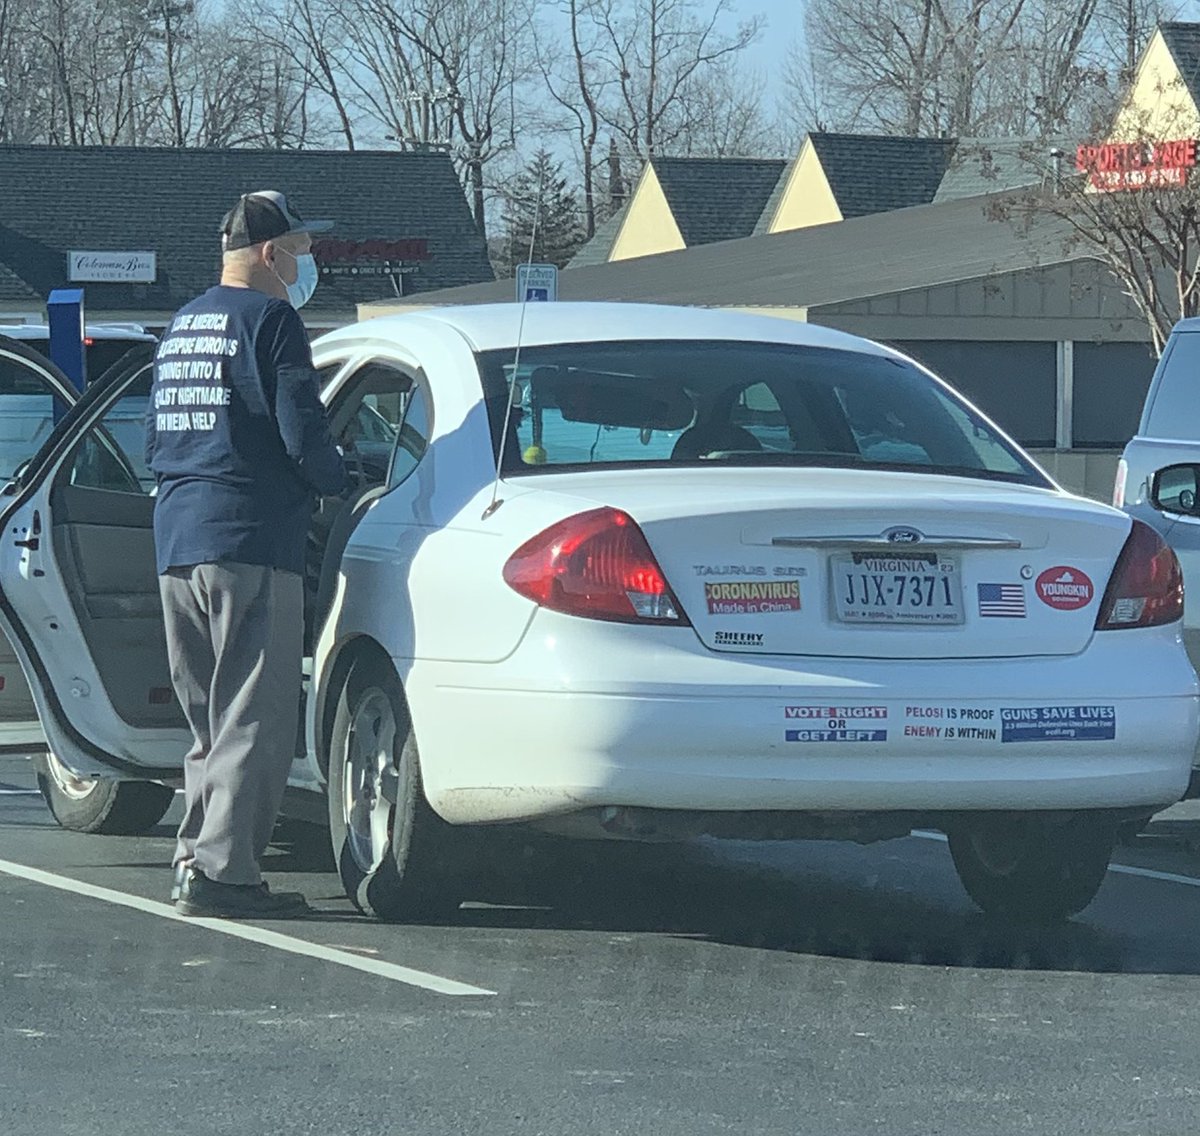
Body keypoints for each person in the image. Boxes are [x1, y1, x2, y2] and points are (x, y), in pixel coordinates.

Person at [146, 191, 350, 919]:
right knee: (255, 717)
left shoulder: (182, 325)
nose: (306, 263)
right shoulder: (272, 320)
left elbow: (160, 439)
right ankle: (227, 876)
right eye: (300, 249)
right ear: (270, 255)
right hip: (250, 539)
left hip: (178, 537)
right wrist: (342, 481)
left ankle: (194, 860)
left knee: (209, 721)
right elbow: (302, 429)